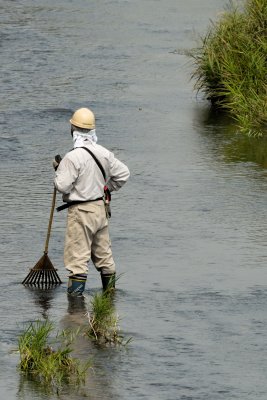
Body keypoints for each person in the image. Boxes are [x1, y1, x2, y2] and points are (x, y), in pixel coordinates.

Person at [53, 107, 130, 297]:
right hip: (100, 211)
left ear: (73, 130)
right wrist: (107, 188)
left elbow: (62, 186)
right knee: (105, 258)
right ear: (92, 130)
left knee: (77, 262)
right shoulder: (103, 152)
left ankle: (76, 310)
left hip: (80, 213)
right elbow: (123, 174)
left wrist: (58, 169)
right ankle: (109, 300)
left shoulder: (72, 157)